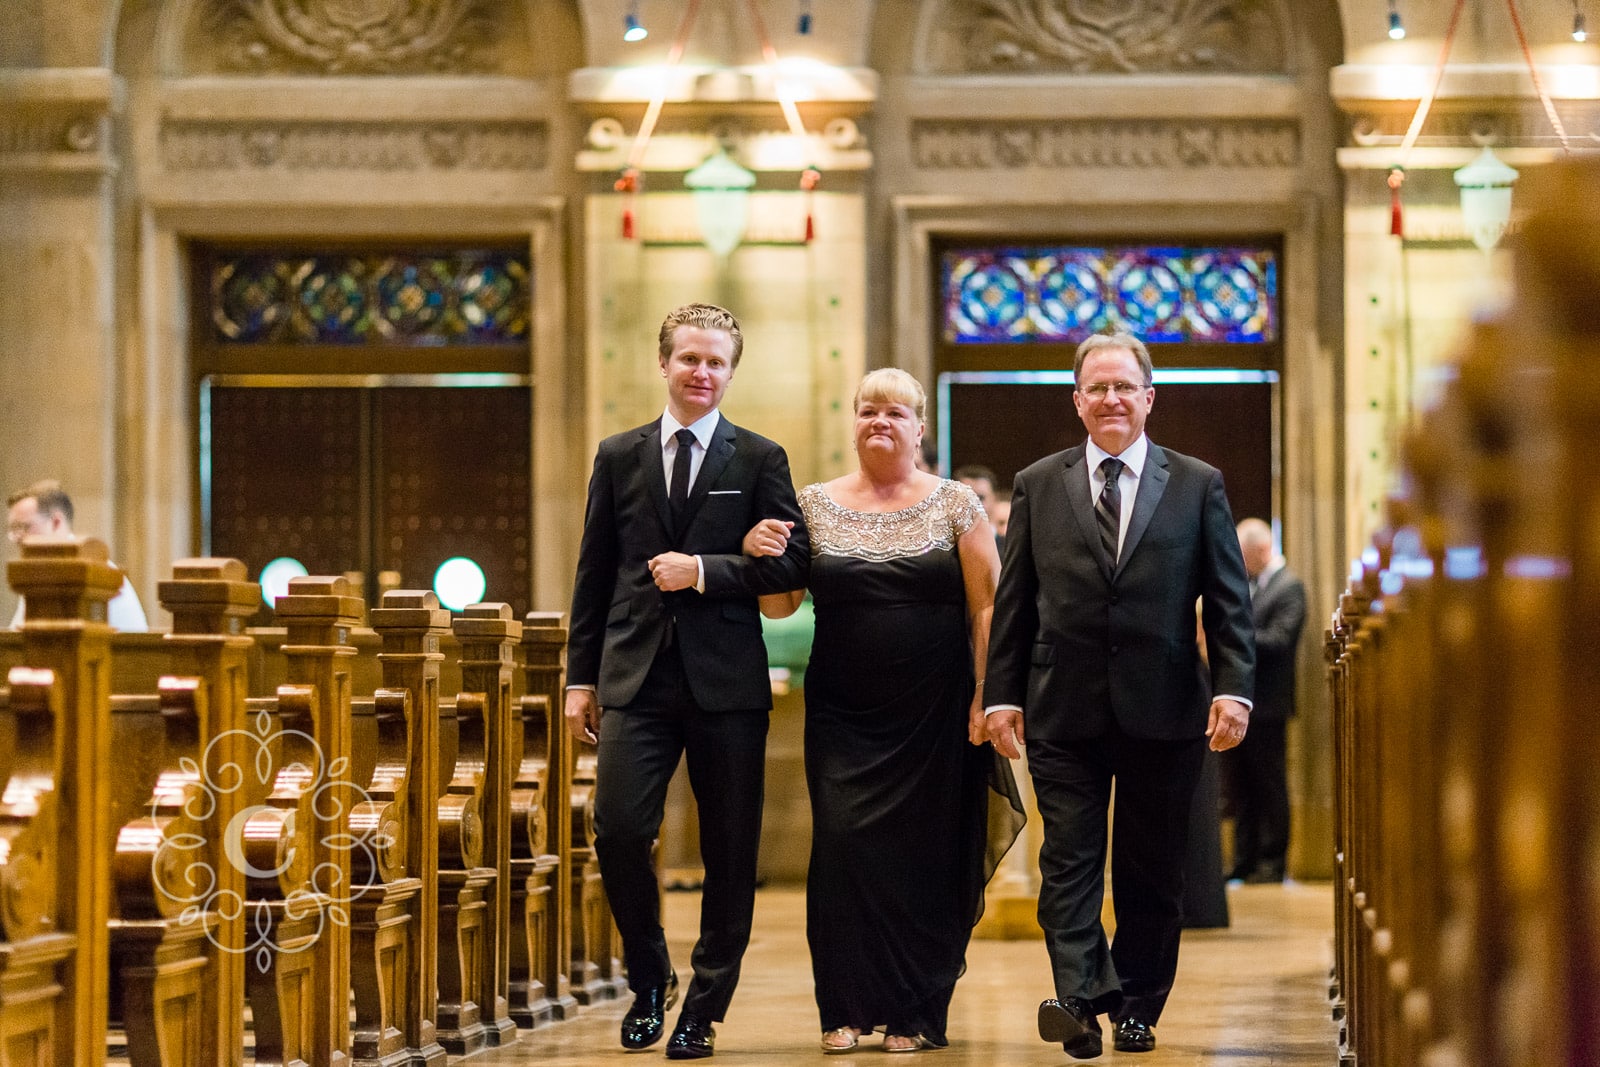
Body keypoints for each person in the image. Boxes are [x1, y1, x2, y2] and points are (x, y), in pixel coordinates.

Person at [984, 332, 1255, 1059]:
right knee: (1066, 861)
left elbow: (1229, 601)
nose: (1110, 399)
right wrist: (999, 694)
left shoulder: (1198, 483)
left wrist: (1234, 689)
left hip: (1164, 706)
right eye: (1096, 388)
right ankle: (1079, 999)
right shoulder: (1039, 482)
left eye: (1123, 387)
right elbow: (1016, 601)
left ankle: (1136, 1002)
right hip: (1061, 706)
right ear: (1077, 401)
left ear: (1148, 398)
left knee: (1150, 869)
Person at [742, 368, 1023, 1054]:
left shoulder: (957, 504)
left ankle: (915, 1012)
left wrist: (988, 695)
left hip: (935, 711)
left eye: (896, 411)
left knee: (925, 856)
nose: (880, 422)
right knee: (841, 850)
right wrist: (757, 552)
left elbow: (987, 606)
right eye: (869, 410)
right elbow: (778, 605)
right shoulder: (813, 503)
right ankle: (843, 1007)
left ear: (920, 426)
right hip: (842, 712)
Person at [563, 303, 809, 1060]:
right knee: (620, 828)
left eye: (715, 363)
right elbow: (594, 574)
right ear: (663, 363)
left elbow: (794, 567)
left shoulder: (761, 457)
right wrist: (580, 680)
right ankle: (650, 975)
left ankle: (704, 1006)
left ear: (731, 373)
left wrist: (709, 569)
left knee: (732, 849)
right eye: (689, 359)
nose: (701, 372)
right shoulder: (617, 454)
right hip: (636, 676)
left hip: (726, 682)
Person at [1224, 518, 1307, 885]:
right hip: (1245, 698)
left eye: (1243, 556)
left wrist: (1234, 638)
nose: (1240, 565)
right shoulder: (1254, 586)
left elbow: (1280, 638)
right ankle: (1244, 860)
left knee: (1269, 784)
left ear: (1261, 549)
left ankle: (1273, 861)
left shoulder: (1290, 587)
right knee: (1241, 785)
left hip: (1269, 703)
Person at [7, 479, 148, 631]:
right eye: (13, 529)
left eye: (24, 527)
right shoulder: (43, 570)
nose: (16, 537)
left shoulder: (87, 571)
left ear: (56, 522)